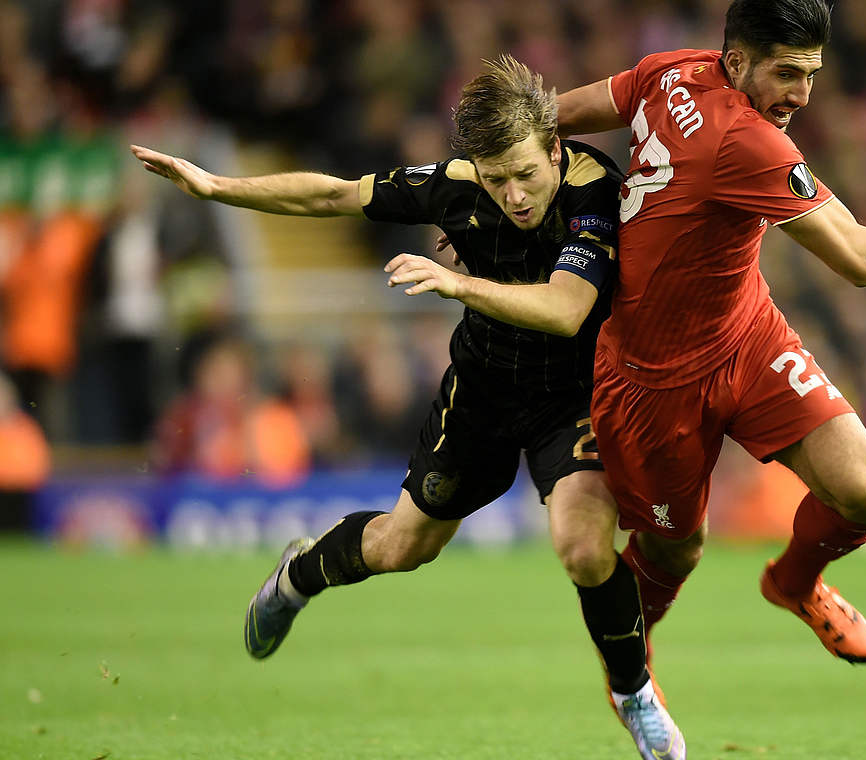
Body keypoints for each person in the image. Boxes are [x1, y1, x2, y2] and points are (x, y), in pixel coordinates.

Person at [131, 55, 685, 760]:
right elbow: (332, 197)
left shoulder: (595, 192)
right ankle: (298, 574)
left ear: (554, 148)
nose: (513, 195)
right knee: (403, 546)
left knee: (581, 545)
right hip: (482, 391)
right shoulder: (456, 186)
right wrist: (216, 187)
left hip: (574, 395)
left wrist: (456, 286)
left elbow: (568, 308)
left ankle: (633, 693)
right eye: (495, 179)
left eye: (524, 173)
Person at [555, 0, 866, 664]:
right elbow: (860, 259)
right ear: (739, 60)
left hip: (746, 337)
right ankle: (630, 671)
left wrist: (492, 181)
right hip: (651, 378)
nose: (802, 95)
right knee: (676, 547)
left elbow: (555, 117)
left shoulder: (674, 72)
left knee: (863, 492)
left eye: (811, 73)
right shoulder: (744, 141)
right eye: (787, 74)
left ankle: (794, 583)